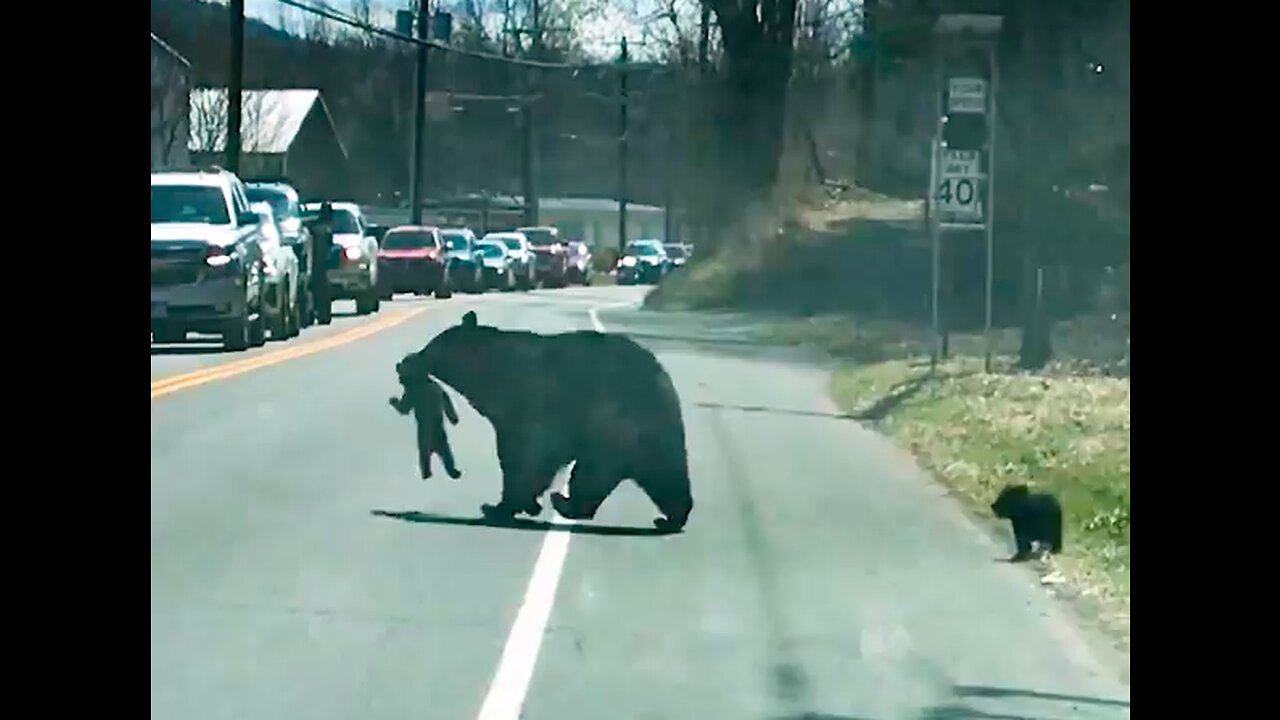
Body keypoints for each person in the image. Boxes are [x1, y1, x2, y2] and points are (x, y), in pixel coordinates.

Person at [388, 368, 462, 481]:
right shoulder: (433, 386)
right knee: (443, 449)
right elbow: (445, 400)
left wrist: (395, 403)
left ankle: (427, 472)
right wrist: (453, 417)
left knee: (425, 450)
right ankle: (448, 470)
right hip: (437, 424)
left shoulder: (413, 390)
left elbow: (404, 409)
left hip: (425, 426)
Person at [309, 202, 335, 325]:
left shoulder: (315, 227)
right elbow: (329, 246)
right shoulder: (327, 228)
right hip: (322, 263)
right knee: (323, 291)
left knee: (317, 290)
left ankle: (320, 313)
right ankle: (324, 315)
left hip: (316, 263)